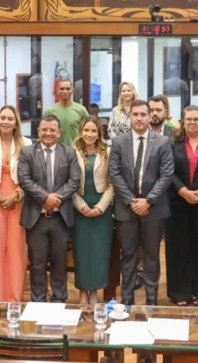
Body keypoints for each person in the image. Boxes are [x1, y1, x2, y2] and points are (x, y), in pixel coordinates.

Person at [107, 100, 174, 306]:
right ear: (130, 117)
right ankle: (127, 302)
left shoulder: (162, 142)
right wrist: (132, 201)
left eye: (143, 114)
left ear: (149, 116)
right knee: (128, 256)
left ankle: (151, 301)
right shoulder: (118, 142)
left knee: (152, 257)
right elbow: (114, 174)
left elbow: (167, 175)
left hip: (154, 210)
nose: (139, 118)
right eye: (135, 114)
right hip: (126, 210)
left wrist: (148, 201)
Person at [18, 115, 80, 303]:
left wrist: (55, 199)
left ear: (59, 132)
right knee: (37, 264)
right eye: (44, 129)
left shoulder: (69, 152)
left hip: (60, 218)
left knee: (60, 262)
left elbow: (74, 181)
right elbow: (24, 180)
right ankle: (38, 301)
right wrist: (45, 198)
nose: (48, 133)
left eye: (52, 130)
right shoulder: (27, 152)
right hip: (36, 218)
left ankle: (59, 299)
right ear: (38, 131)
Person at [166, 106, 198, 306]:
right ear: (183, 121)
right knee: (178, 248)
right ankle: (179, 293)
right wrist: (183, 191)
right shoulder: (172, 143)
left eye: (196, 119)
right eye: (188, 119)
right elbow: (167, 170)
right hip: (177, 203)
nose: (192, 122)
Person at [0, 106, 30, 302]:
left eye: (10, 118)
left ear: (16, 123)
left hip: (18, 200)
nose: (6, 122)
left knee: (17, 251)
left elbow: (31, 176)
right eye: (2, 118)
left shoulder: (26, 144)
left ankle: (14, 299)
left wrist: (16, 195)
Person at [72, 116, 114, 305]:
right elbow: (68, 183)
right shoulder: (72, 152)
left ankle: (95, 291)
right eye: (86, 130)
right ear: (81, 132)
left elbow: (112, 184)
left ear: (99, 133)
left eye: (93, 131)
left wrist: (100, 207)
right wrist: (81, 206)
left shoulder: (108, 152)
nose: (89, 134)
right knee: (81, 253)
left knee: (99, 252)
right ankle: (83, 290)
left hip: (101, 212)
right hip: (79, 210)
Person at [44, 78, 89, 146]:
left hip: (75, 149)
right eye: (62, 89)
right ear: (58, 91)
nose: (65, 91)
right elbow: (44, 132)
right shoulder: (50, 111)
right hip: (55, 149)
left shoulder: (81, 110)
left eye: (68, 89)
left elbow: (88, 130)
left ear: (72, 91)